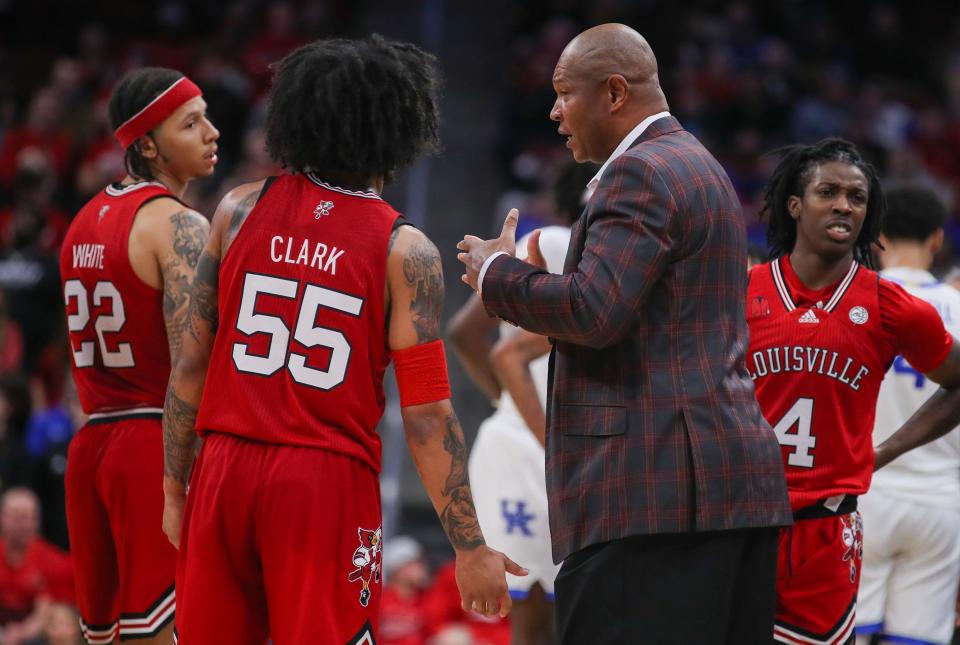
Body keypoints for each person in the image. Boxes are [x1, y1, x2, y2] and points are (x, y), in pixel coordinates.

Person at [162, 35, 521, 645]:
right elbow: (430, 416)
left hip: (224, 466)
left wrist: (175, 487)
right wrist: (470, 545)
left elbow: (190, 361)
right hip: (322, 481)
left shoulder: (237, 210)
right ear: (398, 131)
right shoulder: (404, 251)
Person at [457, 23, 792, 644]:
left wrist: (494, 274)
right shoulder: (700, 166)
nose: (554, 111)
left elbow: (592, 313)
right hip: (727, 491)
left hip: (655, 497)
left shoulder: (637, 173)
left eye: (564, 93)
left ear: (614, 93)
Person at [747, 139, 960, 645]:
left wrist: (883, 451)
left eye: (857, 197)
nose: (845, 204)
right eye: (828, 191)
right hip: (739, 523)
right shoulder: (741, 290)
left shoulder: (893, 306)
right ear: (795, 205)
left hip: (826, 527)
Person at [60, 67, 218, 645]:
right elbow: (189, 366)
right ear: (147, 145)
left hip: (91, 445)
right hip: (153, 446)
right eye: (191, 123)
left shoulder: (80, 223)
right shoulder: (179, 225)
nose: (212, 132)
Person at [448, 160, 591, 645]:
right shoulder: (556, 244)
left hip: (570, 447)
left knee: (568, 611)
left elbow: (470, 337)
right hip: (535, 448)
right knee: (533, 617)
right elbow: (476, 339)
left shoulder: (608, 262)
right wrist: (517, 412)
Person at [853, 186, 960, 645]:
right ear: (937, 239)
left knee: (846, 634)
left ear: (875, 236)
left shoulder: (853, 303)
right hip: (940, 498)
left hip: (862, 491)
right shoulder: (958, 307)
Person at [0, 488, 74, 645]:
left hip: (36, 636)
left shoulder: (55, 562)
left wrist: (19, 634)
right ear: (2, 518)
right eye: (16, 517)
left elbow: (49, 611)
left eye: (28, 518)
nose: (23, 525)